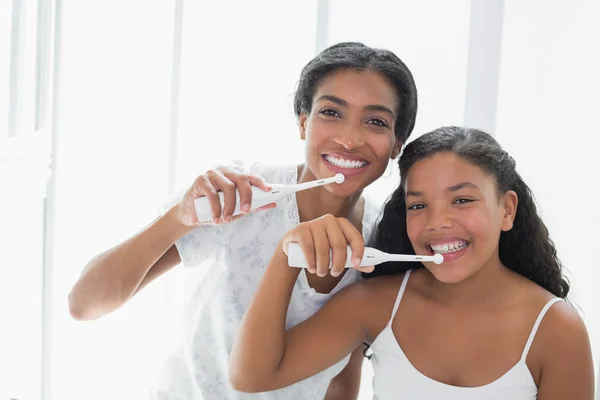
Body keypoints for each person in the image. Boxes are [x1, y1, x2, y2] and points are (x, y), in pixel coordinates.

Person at [67, 41, 418, 399]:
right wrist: (180, 217)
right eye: (331, 112)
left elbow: (343, 375)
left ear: (396, 145)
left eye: (375, 121)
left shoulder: (382, 240)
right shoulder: (242, 195)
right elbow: (84, 304)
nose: (349, 138)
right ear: (302, 123)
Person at [229, 126, 595, 399]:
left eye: (462, 200)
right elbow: (253, 377)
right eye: (418, 206)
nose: (437, 223)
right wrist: (285, 256)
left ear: (506, 209)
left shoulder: (555, 330)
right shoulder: (376, 304)